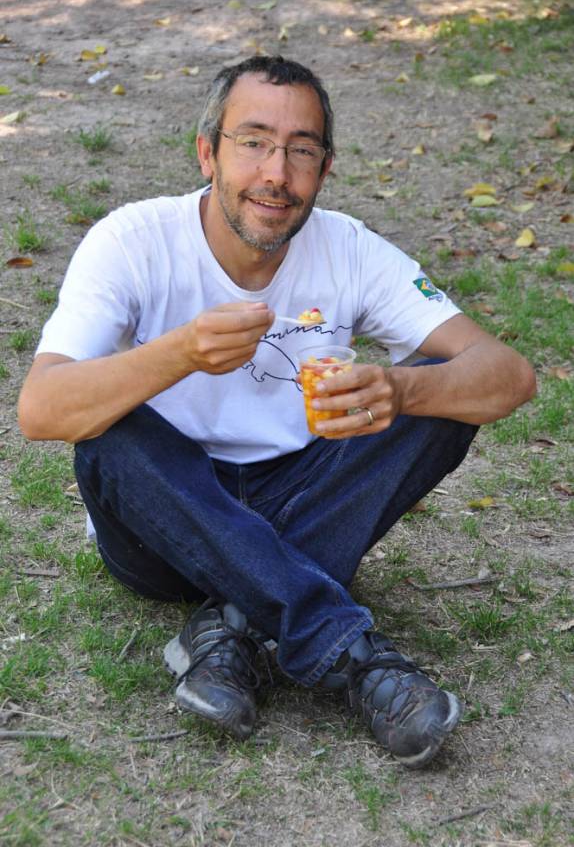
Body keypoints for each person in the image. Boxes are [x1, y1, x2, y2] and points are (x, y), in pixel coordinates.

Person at [18, 55, 536, 769]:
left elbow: (508, 376)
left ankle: (232, 625)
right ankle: (350, 654)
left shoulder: (350, 249)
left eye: (301, 151)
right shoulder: (133, 241)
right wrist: (177, 354)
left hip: (296, 488)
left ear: (325, 169)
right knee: (110, 429)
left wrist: (398, 390)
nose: (277, 174)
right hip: (163, 526)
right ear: (208, 153)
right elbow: (41, 408)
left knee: (442, 391)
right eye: (254, 142)